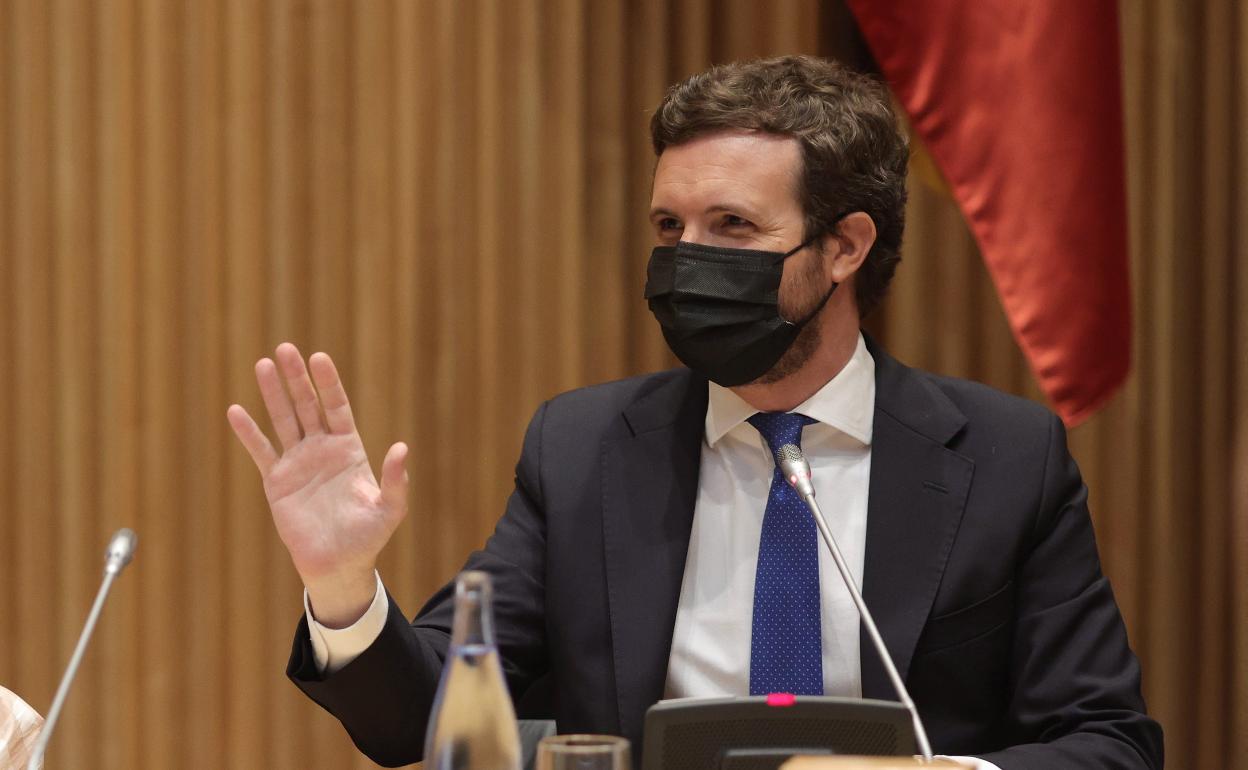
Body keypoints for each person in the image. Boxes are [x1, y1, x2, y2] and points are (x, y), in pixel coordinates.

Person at [227, 55, 1163, 769]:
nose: (686, 262)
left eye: (733, 227)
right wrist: (343, 587)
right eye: (669, 228)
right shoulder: (584, 448)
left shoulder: (1005, 459)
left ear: (845, 247)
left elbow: (1109, 740)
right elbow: (427, 725)